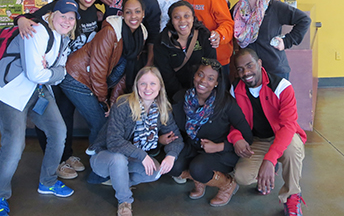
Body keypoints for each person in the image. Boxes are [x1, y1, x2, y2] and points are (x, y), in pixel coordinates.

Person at [0, 0, 79, 216]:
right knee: (14, 145)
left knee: (58, 131)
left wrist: (51, 72)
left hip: (37, 92)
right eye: (63, 15)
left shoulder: (63, 38)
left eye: (71, 18)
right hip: (10, 92)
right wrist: (56, 72)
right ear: (52, 14)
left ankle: (48, 181)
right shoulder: (37, 31)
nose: (66, 21)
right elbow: (38, 73)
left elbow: (49, 74)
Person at [16, 0, 101, 180]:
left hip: (70, 74)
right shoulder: (63, 6)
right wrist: (20, 20)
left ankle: (67, 154)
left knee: (66, 113)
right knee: (48, 115)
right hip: (49, 72)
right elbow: (32, 19)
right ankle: (55, 161)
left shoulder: (93, 12)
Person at [89, 67, 184, 216]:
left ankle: (120, 181)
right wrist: (142, 155)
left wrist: (171, 155)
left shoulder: (162, 109)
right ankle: (124, 201)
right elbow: (113, 142)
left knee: (156, 172)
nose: (147, 88)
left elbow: (176, 138)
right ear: (136, 86)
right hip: (104, 156)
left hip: (130, 158)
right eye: (143, 83)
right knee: (118, 159)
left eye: (153, 83)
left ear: (160, 87)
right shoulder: (123, 104)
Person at [62, 0, 148, 150]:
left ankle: (101, 159)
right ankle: (97, 165)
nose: (133, 16)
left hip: (93, 80)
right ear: (122, 14)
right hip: (77, 77)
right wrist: (103, 102)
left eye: (137, 12)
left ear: (143, 13)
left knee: (108, 120)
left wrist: (113, 103)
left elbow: (123, 75)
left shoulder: (140, 35)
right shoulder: (111, 32)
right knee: (100, 123)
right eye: (128, 12)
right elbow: (97, 69)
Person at [229, 48, 307, 216]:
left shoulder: (281, 86)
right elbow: (232, 122)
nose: (246, 72)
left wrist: (270, 160)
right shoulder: (235, 90)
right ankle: (268, 172)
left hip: (283, 135)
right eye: (240, 69)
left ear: (259, 64)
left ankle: (292, 197)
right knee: (242, 176)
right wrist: (236, 138)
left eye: (249, 66)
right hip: (257, 140)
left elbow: (288, 126)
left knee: (292, 150)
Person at [168, 58, 253, 207]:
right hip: (193, 146)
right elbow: (173, 126)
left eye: (210, 78)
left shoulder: (226, 104)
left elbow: (247, 137)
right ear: (194, 76)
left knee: (198, 168)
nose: (203, 81)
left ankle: (227, 184)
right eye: (200, 74)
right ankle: (200, 179)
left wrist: (219, 147)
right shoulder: (181, 98)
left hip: (221, 151)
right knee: (171, 166)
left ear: (216, 83)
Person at [232, 0, 311, 79]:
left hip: (274, 70)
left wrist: (287, 41)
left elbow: (304, 20)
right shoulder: (237, 10)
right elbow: (226, 25)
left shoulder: (274, 6)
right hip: (249, 73)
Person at [182, 0, 234, 82]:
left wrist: (219, 35)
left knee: (220, 97)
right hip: (197, 58)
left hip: (218, 59)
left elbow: (227, 23)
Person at [154, 0, 216, 101]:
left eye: (186, 16)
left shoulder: (204, 36)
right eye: (177, 17)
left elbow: (211, 65)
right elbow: (166, 75)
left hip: (202, 90)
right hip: (174, 94)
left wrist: (200, 93)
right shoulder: (162, 42)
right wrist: (182, 97)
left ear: (193, 18)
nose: (182, 20)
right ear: (171, 20)